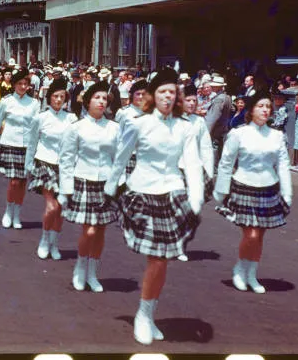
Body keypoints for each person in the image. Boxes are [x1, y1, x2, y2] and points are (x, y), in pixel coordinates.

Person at [104, 69, 203, 345]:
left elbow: (193, 164)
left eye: (172, 92)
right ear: (153, 96)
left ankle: (147, 312)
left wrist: (195, 198)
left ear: (177, 97)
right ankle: (144, 316)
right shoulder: (139, 123)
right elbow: (122, 156)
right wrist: (112, 185)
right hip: (143, 192)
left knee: (163, 260)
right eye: (162, 92)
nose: (168, 97)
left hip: (171, 192)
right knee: (157, 258)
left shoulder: (185, 127)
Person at [213, 89, 292, 295]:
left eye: (268, 106)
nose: (265, 110)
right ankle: (240, 268)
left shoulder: (276, 136)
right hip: (244, 186)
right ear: (251, 110)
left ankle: (252, 273)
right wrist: (221, 190)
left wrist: (287, 192)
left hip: (268, 188)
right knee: (252, 233)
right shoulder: (238, 133)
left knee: (260, 235)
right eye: (260, 106)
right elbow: (226, 162)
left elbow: (283, 165)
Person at [58, 82, 121, 293]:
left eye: (104, 98)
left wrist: (119, 183)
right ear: (88, 101)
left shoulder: (114, 128)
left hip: (106, 183)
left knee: (101, 230)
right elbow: (66, 160)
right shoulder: (76, 128)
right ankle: (80, 266)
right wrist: (65, 189)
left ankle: (93, 273)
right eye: (97, 98)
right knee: (89, 230)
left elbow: (120, 158)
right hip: (83, 180)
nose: (101, 101)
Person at [25, 78, 78, 260]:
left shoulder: (71, 118)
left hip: (64, 166)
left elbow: (76, 145)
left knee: (61, 207)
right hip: (44, 162)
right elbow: (32, 142)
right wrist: (28, 164)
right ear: (49, 98)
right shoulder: (41, 118)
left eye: (62, 97)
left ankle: (54, 242)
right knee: (51, 207)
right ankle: (44, 239)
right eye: (55, 96)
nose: (58, 100)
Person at [0, 68, 41, 228]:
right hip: (10, 143)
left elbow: (37, 128)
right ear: (14, 85)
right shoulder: (7, 101)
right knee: (13, 182)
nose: (23, 87)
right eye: (20, 83)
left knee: (23, 181)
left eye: (26, 84)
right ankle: (8, 210)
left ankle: (17, 214)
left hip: (27, 146)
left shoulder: (34, 103)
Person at [178, 83, 214, 262]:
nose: (192, 103)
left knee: (194, 209)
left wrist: (208, 172)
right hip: (175, 170)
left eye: (194, 100)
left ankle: (182, 240)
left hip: (194, 170)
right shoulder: (172, 120)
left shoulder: (199, 122)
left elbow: (206, 148)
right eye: (188, 100)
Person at [204, 76, 232, 166]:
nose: (212, 87)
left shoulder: (219, 99)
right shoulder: (227, 97)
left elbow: (213, 118)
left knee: (214, 152)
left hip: (216, 131)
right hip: (223, 129)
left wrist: (206, 133)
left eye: (214, 86)